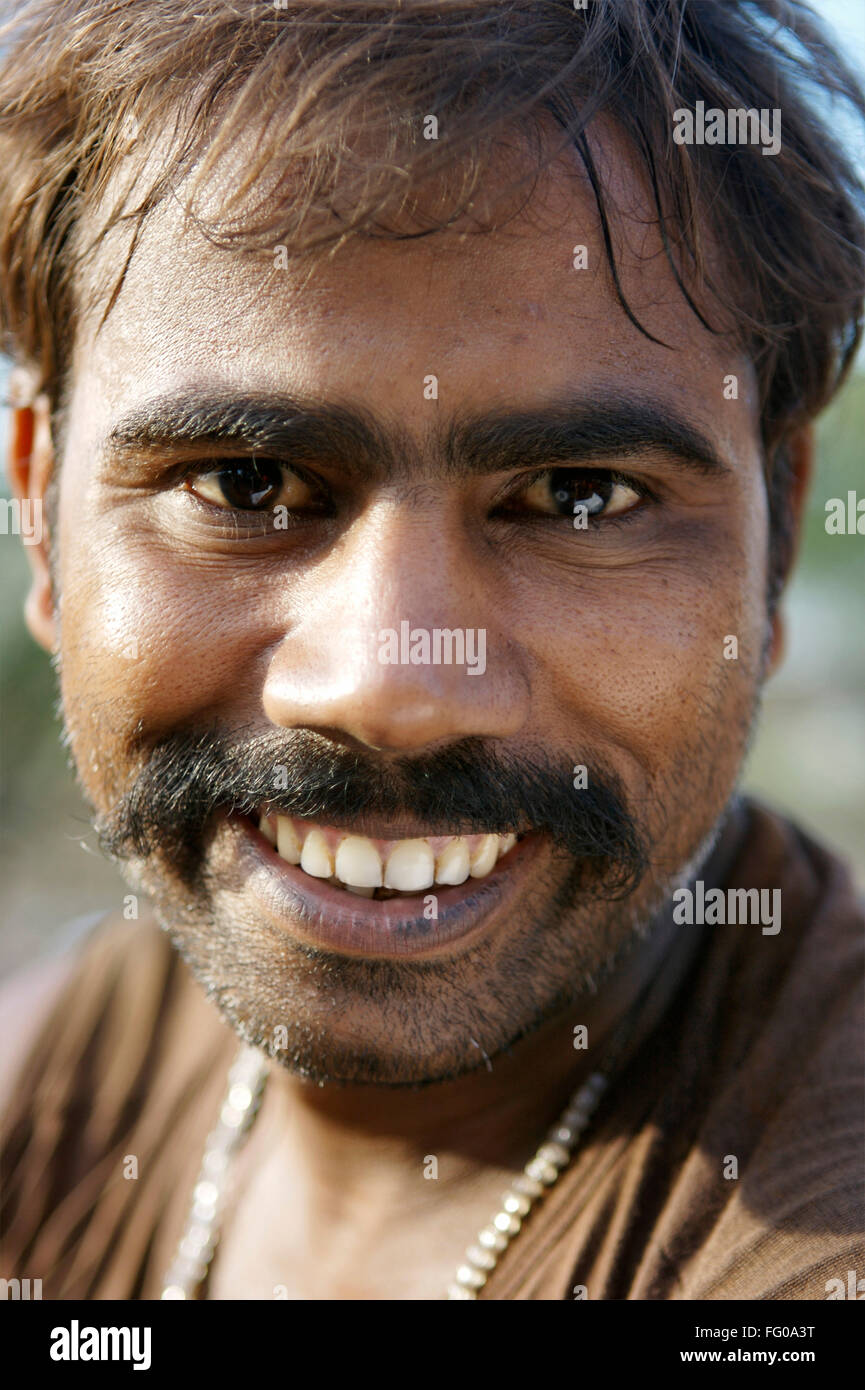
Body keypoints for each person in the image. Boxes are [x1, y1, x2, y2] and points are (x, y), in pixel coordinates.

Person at [0, 0, 863, 1301]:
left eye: (578, 495)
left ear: (778, 534)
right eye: (244, 483)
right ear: (44, 520)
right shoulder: (54, 1083)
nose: (392, 689)